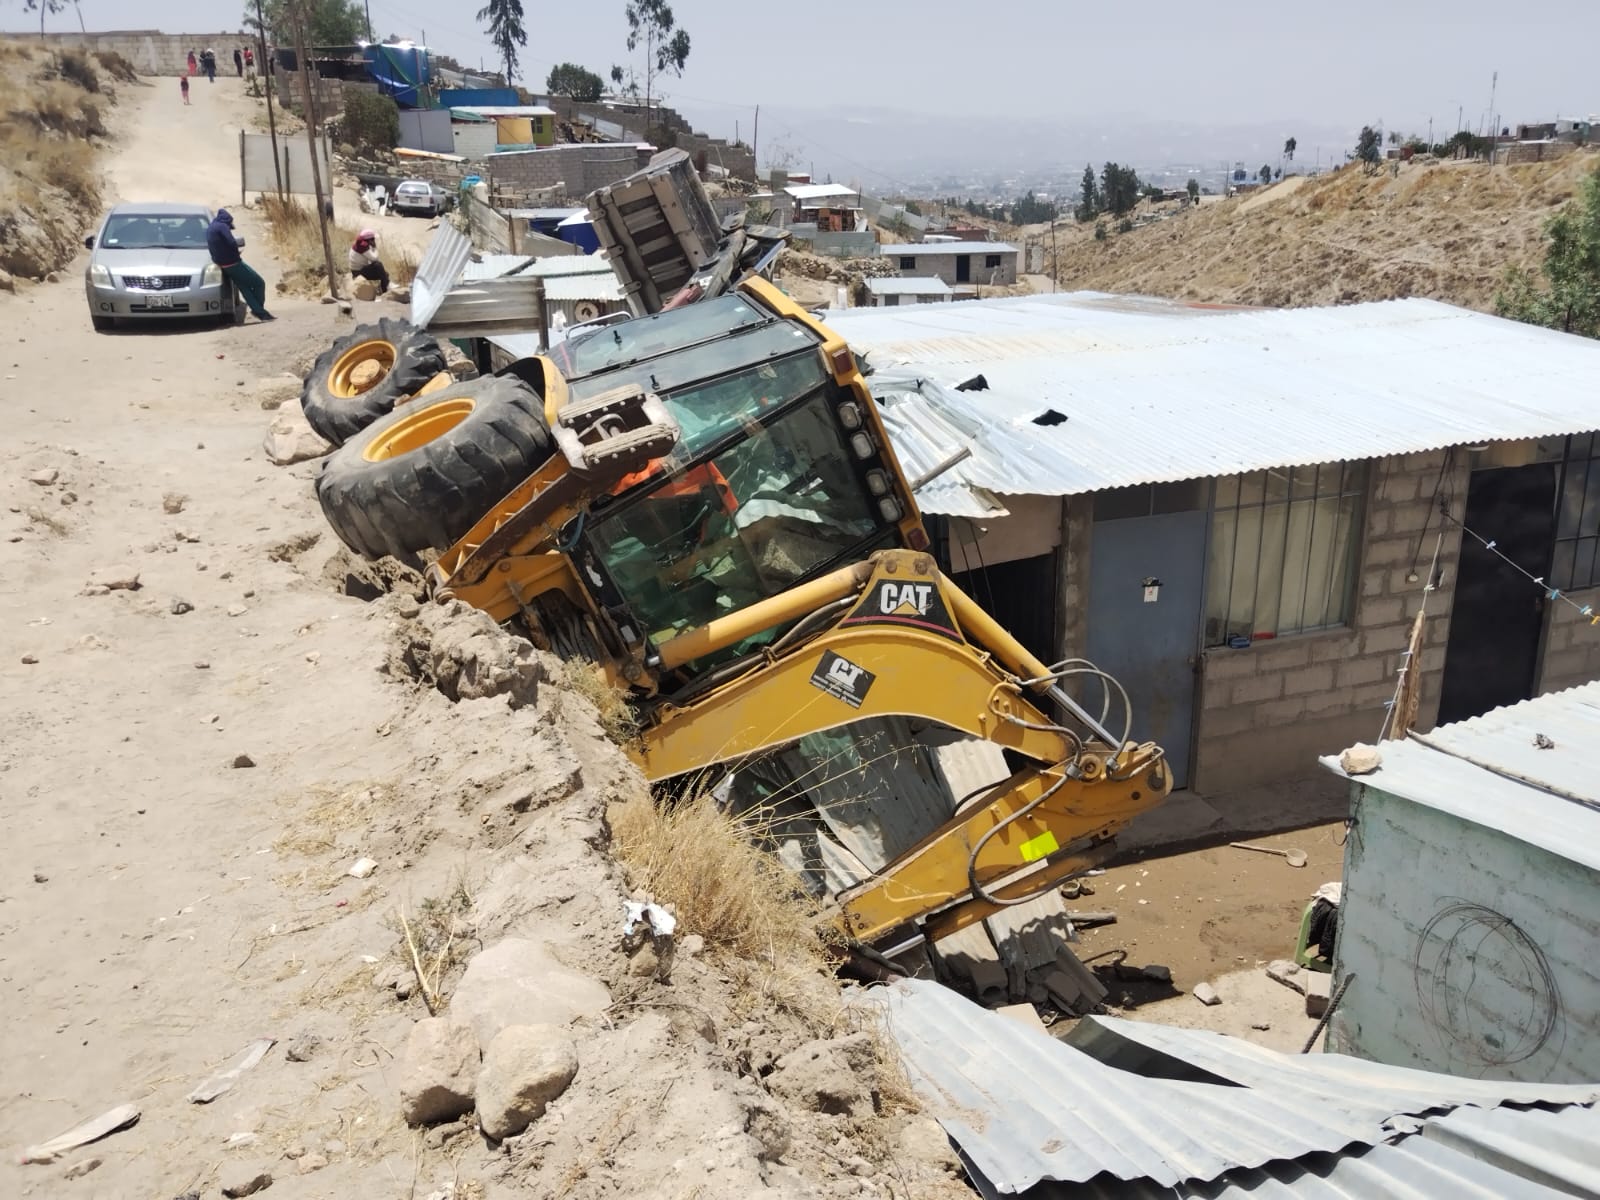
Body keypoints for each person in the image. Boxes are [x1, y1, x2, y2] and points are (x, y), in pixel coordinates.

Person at [206, 209, 273, 322]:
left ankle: (261, 314)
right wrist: (236, 252)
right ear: (228, 220)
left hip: (223, 265)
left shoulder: (210, 228)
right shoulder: (222, 226)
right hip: (234, 263)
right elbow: (231, 242)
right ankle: (259, 310)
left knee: (244, 288)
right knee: (259, 283)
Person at [348, 230, 389, 295]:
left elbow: (370, 259)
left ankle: (383, 289)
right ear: (369, 240)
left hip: (357, 271)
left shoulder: (359, 244)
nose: (374, 241)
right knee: (378, 265)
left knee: (385, 274)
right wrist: (374, 247)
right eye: (373, 239)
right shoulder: (362, 246)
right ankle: (385, 290)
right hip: (358, 272)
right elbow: (374, 259)